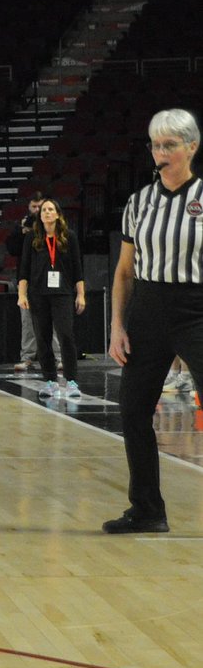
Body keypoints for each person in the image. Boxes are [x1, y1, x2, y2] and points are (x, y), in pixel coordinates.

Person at [103, 107, 203, 535]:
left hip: (196, 308)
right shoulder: (139, 202)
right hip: (147, 308)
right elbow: (125, 272)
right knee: (132, 410)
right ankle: (147, 510)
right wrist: (117, 325)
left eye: (169, 145)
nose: (160, 153)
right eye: (155, 145)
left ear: (191, 147)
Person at [18, 198, 85, 400]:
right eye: (44, 210)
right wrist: (21, 294)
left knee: (65, 335)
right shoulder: (32, 238)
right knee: (42, 338)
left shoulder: (69, 237)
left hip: (63, 293)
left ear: (57, 214)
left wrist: (81, 294)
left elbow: (77, 268)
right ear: (40, 216)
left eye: (50, 209)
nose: (47, 212)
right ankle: (50, 381)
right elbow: (24, 268)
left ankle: (71, 381)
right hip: (38, 294)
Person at [8, 192, 44, 371]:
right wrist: (22, 232)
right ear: (28, 207)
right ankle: (28, 356)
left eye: (40, 206)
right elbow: (12, 249)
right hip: (27, 279)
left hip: (48, 278)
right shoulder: (22, 227)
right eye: (34, 207)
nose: (37, 210)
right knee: (27, 321)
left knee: (53, 320)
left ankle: (57, 356)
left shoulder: (53, 227)